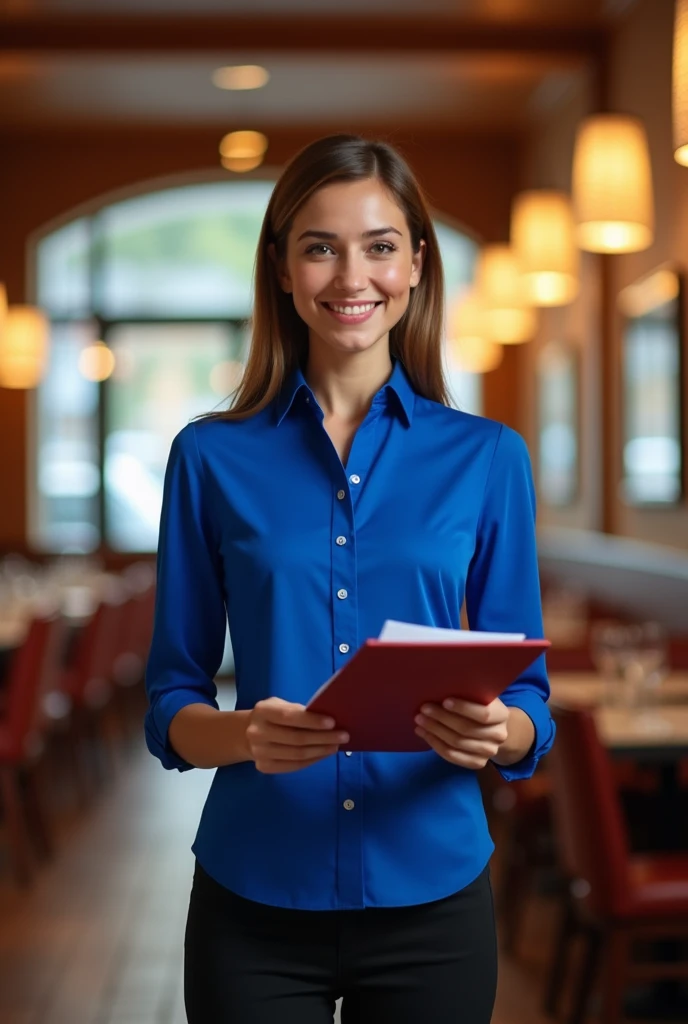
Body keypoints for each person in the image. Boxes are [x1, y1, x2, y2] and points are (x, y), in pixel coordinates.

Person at [144, 134, 555, 1024]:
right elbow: (170, 697)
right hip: (254, 892)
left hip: (435, 895)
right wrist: (245, 734)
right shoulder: (207, 458)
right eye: (319, 246)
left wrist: (504, 730)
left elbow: (529, 697)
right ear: (284, 269)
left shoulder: (488, 459)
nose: (349, 276)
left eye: (378, 245)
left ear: (415, 264)